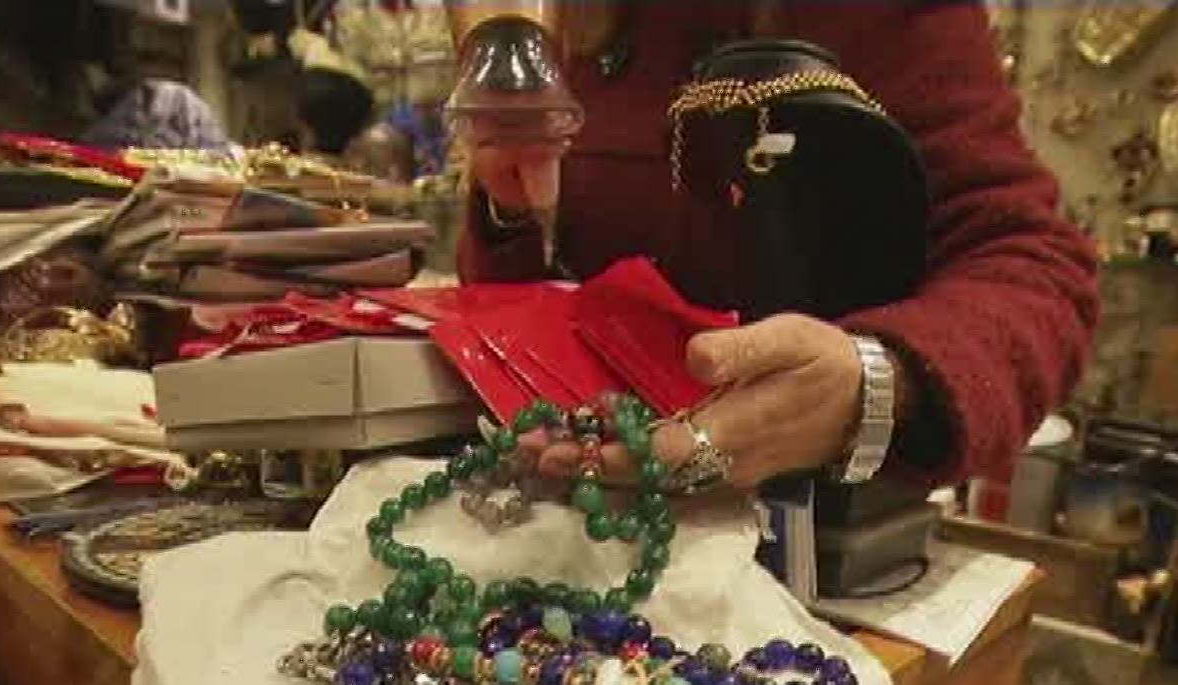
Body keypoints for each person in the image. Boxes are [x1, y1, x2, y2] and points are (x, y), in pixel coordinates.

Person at [460, 1, 1098, 493]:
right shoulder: (561, 24)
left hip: (803, 535)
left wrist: (877, 382)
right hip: (580, 505)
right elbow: (547, 283)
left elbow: (1033, 269)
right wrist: (511, 209)